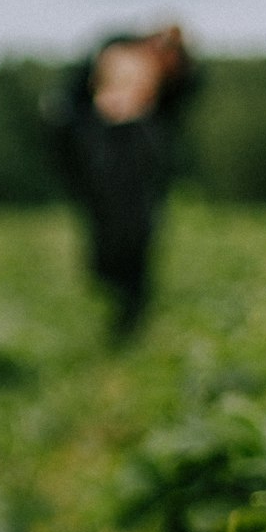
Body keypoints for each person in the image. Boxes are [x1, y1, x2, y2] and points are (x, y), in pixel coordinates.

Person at [46, 25, 198, 338]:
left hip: (139, 168)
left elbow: (189, 90)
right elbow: (68, 109)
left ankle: (132, 310)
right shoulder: (114, 53)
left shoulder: (170, 89)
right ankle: (116, 294)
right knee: (108, 236)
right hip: (106, 162)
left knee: (139, 235)